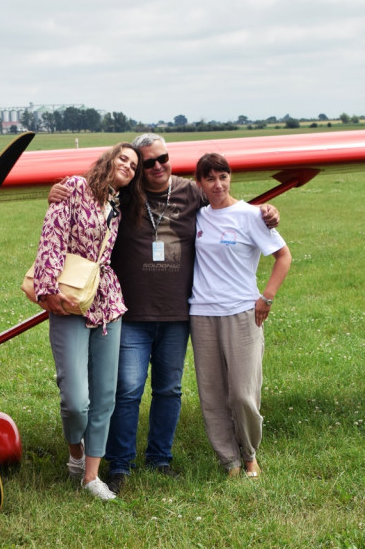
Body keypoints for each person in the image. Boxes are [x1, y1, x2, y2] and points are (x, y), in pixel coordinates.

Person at [49, 133, 279, 494]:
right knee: (127, 389)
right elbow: (91, 192)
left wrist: (265, 211)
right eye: (148, 162)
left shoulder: (192, 191)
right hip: (133, 313)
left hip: (178, 313)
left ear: (171, 159)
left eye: (163, 159)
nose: (157, 166)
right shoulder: (125, 194)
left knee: (169, 389)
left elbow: (226, 200)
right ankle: (120, 463)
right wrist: (58, 192)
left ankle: (160, 458)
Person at [29, 142, 144, 500]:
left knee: (105, 395)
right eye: (123, 158)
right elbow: (52, 238)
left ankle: (91, 477)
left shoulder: (119, 205)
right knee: (75, 399)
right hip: (69, 299)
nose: (127, 165)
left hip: (108, 301)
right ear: (108, 160)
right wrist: (46, 290)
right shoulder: (74, 188)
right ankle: (75, 452)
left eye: (134, 165)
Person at [188, 152, 291, 479]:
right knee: (212, 394)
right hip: (202, 314)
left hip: (242, 313)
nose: (217, 185)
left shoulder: (251, 215)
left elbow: (283, 256)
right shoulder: (198, 216)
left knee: (243, 393)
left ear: (230, 178)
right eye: (210, 178)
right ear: (199, 183)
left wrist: (267, 298)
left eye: (223, 177)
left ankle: (249, 455)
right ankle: (229, 461)